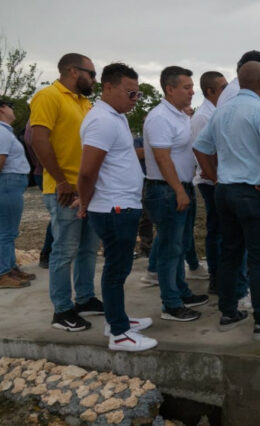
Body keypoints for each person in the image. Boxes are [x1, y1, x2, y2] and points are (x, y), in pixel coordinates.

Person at [194, 61, 260, 340]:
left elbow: (200, 147)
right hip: (254, 192)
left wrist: (216, 178)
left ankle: (229, 312)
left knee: (230, 253)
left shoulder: (222, 110)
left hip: (225, 192)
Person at [77, 63, 157, 351]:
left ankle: (117, 319)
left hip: (123, 204)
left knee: (119, 268)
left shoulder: (116, 117)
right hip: (114, 207)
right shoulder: (102, 121)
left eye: (137, 93)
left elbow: (119, 157)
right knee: (115, 269)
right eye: (130, 93)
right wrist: (84, 202)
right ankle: (119, 334)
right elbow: (87, 171)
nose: (135, 99)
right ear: (107, 88)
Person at [30, 53, 104, 331]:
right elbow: (39, 139)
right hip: (64, 190)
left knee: (87, 249)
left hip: (87, 190)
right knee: (65, 251)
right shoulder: (49, 96)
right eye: (92, 74)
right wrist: (61, 181)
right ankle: (61, 310)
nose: (95, 80)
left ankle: (84, 299)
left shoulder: (85, 103)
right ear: (74, 71)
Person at [143, 66, 208, 322]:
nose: (192, 92)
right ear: (170, 89)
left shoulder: (181, 115)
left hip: (182, 187)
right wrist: (179, 191)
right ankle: (170, 304)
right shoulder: (160, 118)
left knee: (179, 245)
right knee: (170, 249)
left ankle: (181, 291)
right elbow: (162, 158)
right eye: (187, 87)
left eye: (192, 87)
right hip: (166, 190)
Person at [190, 71, 227, 294]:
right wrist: (214, 176)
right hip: (211, 180)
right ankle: (216, 274)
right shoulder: (204, 116)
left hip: (218, 177)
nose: (226, 92)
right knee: (216, 229)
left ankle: (222, 272)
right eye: (222, 88)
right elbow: (203, 150)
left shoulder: (217, 111)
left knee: (223, 228)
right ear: (210, 91)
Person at [0, 99, 32, 289]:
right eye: (10, 106)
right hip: (8, 182)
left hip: (11, 182)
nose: (13, 110)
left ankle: (10, 268)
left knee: (9, 230)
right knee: (6, 230)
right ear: (2, 109)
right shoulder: (2, 132)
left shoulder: (6, 132)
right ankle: (3, 272)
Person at [23, 121, 54, 268]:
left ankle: (49, 253)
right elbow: (38, 146)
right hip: (46, 173)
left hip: (44, 172)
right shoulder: (37, 124)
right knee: (59, 215)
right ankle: (48, 254)